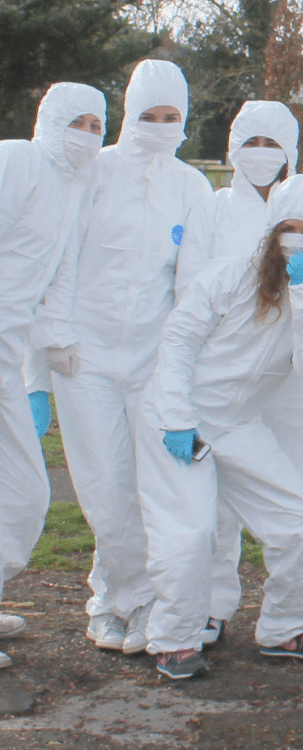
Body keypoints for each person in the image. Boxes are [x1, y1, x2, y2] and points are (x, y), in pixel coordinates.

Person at [31, 60, 213, 655]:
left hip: (153, 358)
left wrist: (182, 361)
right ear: (128, 113)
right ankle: (118, 600)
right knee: (105, 485)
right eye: (147, 115)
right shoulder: (96, 172)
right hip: (84, 358)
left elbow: (192, 283)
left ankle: (144, 599)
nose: (159, 127)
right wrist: (54, 341)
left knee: (150, 484)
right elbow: (61, 258)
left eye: (170, 117)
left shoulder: (192, 186)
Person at [137, 174, 303, 680]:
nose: (296, 239)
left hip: (237, 424)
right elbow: (180, 341)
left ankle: (289, 628)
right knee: (190, 530)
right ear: (271, 232)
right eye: (288, 227)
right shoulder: (228, 275)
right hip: (179, 417)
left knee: (299, 521)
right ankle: (174, 640)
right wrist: (177, 417)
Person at [176, 100, 303, 650]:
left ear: (290, 151)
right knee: (215, 500)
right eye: (250, 143)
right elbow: (190, 287)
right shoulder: (212, 209)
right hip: (224, 376)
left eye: (272, 144)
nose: (261, 154)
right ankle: (210, 605)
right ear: (232, 148)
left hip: (291, 375)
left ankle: (290, 616)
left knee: (296, 489)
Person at [0, 82, 107, 670]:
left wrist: (48, 352)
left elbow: (59, 274)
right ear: (50, 119)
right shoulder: (16, 160)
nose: (87, 135)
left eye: (97, 126)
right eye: (78, 122)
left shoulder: (75, 185)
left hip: (9, 352)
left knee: (24, 493)